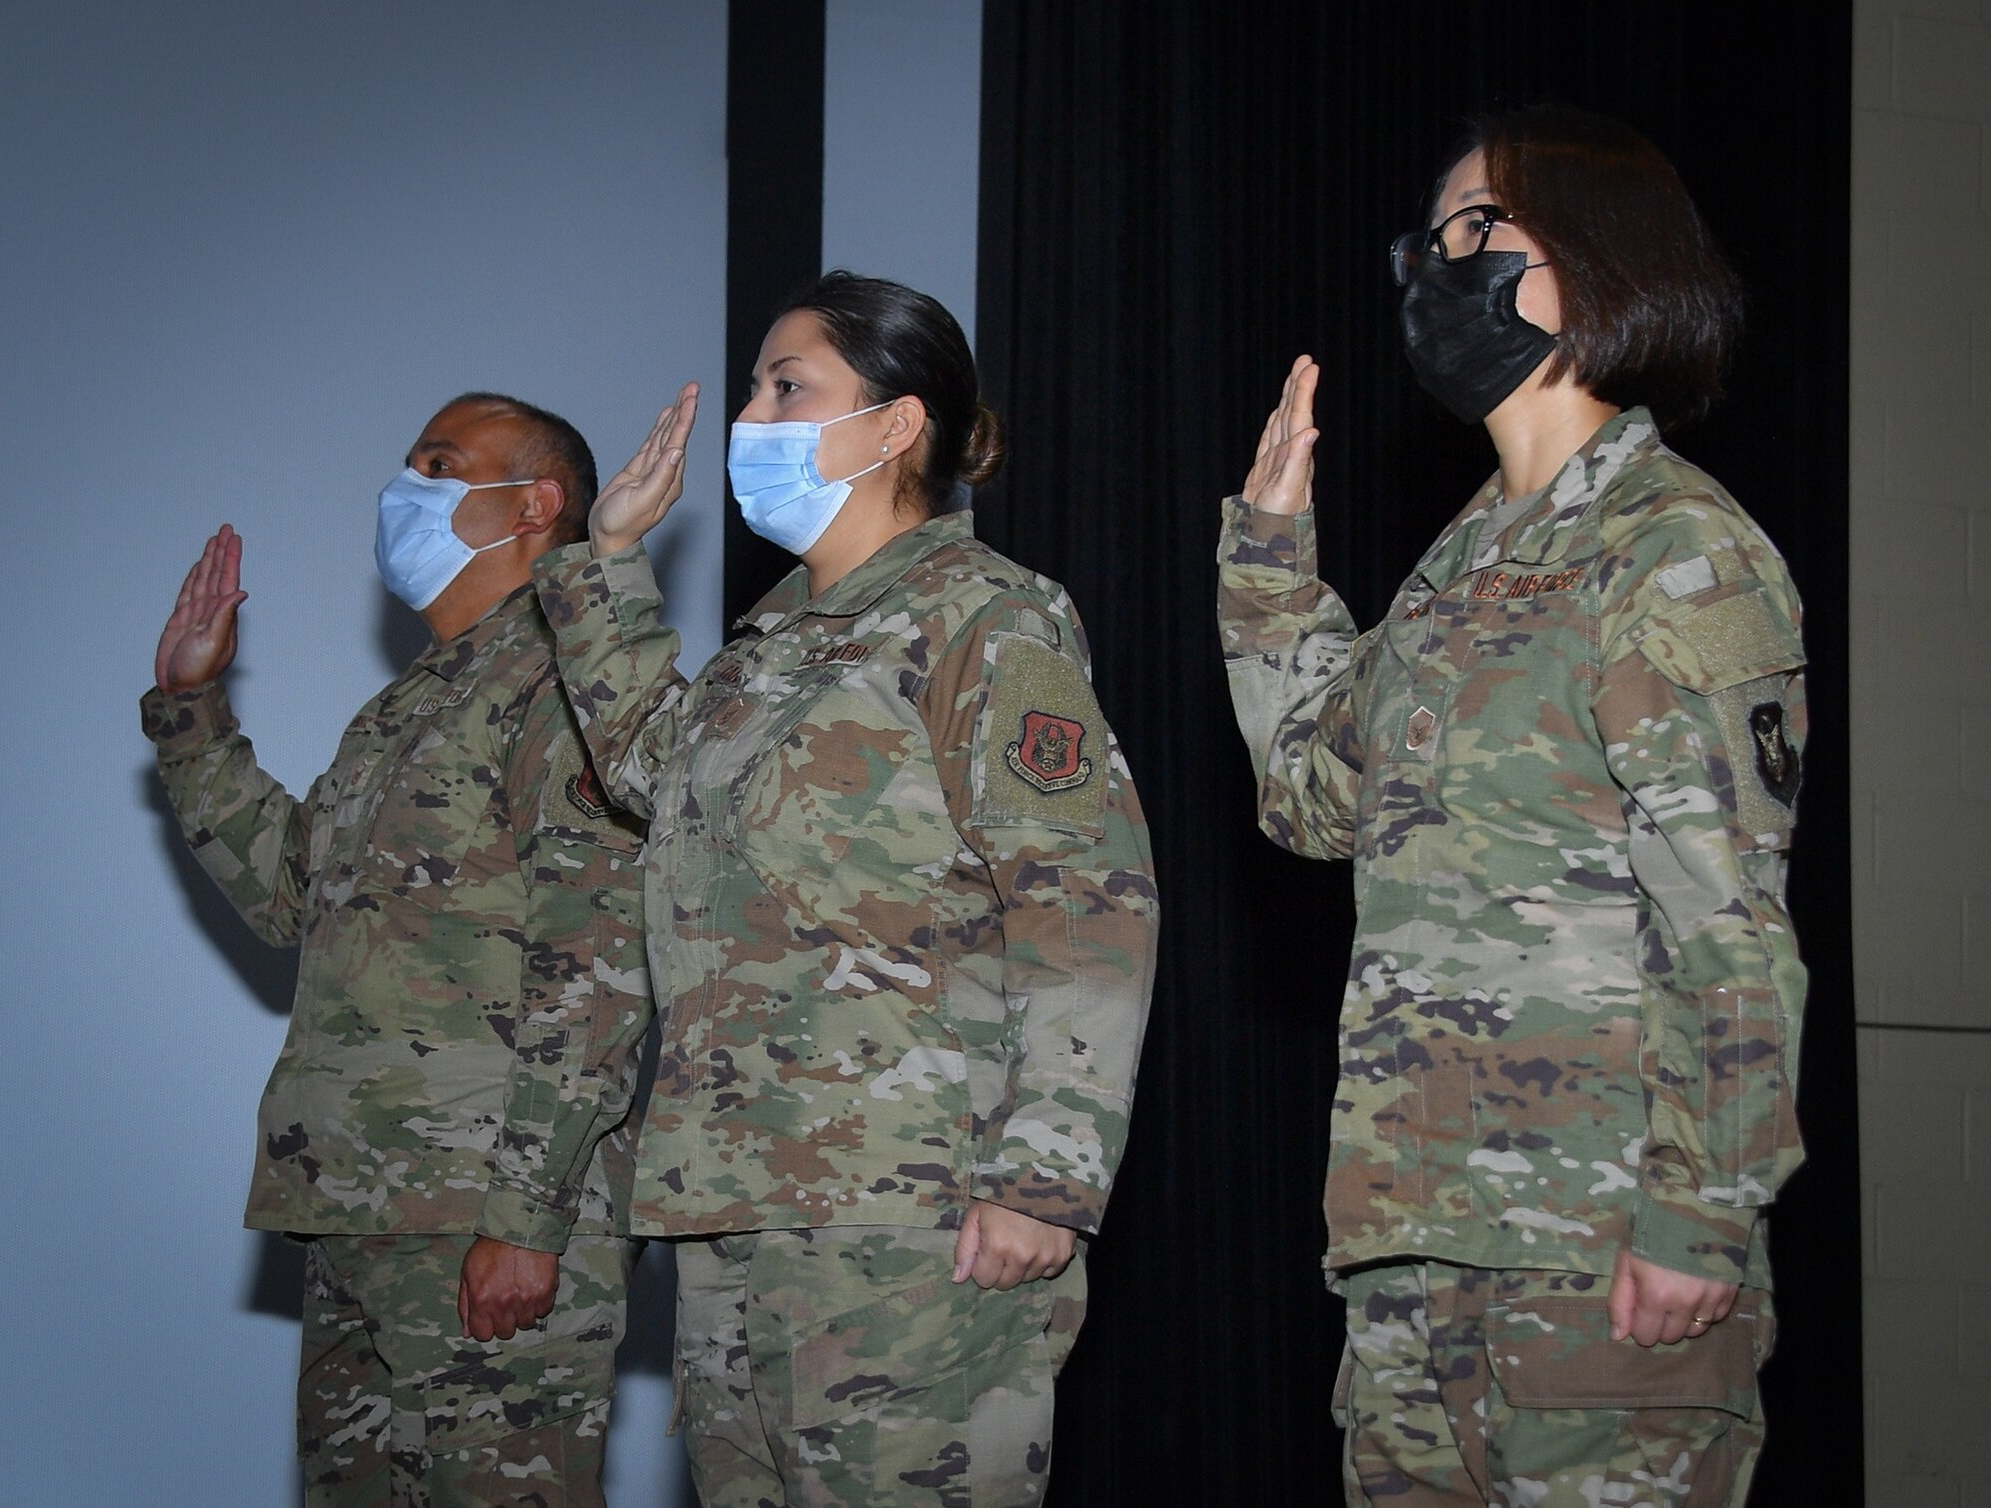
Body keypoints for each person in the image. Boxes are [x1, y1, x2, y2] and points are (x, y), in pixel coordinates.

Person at [1218, 106, 1807, 1506]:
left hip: (1605, 1253)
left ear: (1598, 259)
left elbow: (1727, 922)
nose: (1435, 261)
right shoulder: (1459, 564)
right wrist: (1266, 558)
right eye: (1428, 237)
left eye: (1478, 226)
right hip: (1416, 1251)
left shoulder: (1674, 549)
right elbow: (1311, 798)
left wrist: (1700, 1211)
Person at [530, 271, 1161, 1506]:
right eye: (756, 386)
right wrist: (607, 558)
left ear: (893, 423)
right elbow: (646, 768)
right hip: (734, 1199)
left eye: (787, 385)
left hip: (906, 1210)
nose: (750, 417)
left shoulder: (983, 617)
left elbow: (1084, 898)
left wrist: (1045, 1174)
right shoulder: (764, 650)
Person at [144, 394, 651, 1505]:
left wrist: (526, 1220)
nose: (404, 485)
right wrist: (192, 711)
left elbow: (598, 963)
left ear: (534, 503)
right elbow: (291, 892)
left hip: (483, 1210)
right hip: (364, 1208)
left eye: (437, 461)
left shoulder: (569, 685)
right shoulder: (406, 706)